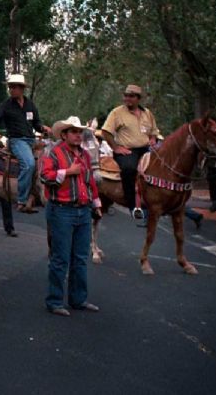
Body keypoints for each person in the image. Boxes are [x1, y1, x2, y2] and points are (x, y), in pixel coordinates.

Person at [40, 117, 102, 316]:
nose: (78, 135)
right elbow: (44, 176)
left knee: (80, 258)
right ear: (64, 135)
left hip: (83, 210)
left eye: (80, 132)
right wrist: (68, 172)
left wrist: (96, 204)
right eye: (74, 131)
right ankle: (55, 301)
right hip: (61, 210)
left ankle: (78, 299)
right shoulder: (54, 152)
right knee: (60, 258)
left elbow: (90, 181)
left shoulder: (85, 155)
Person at [0, 73, 51, 214]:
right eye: (10, 87)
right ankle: (22, 200)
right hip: (17, 141)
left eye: (14, 87)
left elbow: (36, 123)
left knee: (49, 157)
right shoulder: (6, 105)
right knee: (29, 164)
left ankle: (38, 192)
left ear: (22, 89)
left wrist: (43, 128)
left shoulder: (30, 104)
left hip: (31, 140)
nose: (11, 90)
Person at [102, 84, 159, 222]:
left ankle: (157, 200)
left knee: (161, 167)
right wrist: (116, 148)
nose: (127, 98)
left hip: (146, 148)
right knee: (129, 169)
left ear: (138, 98)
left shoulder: (147, 113)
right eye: (126, 95)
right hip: (127, 150)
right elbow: (106, 132)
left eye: (131, 96)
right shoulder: (117, 112)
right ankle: (132, 205)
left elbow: (154, 131)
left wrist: (153, 139)